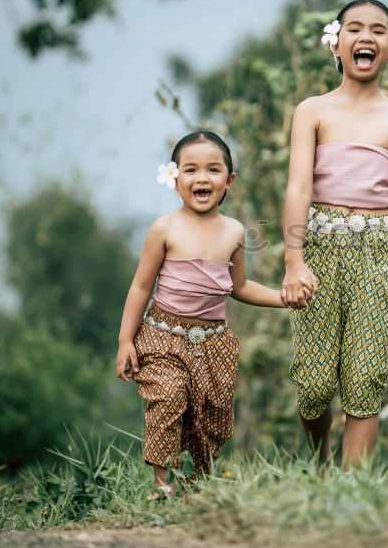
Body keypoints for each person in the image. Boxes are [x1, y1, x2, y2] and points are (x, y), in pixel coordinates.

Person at [115, 130, 315, 500]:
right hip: (163, 335)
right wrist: (126, 340)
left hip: (213, 342)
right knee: (169, 396)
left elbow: (238, 287)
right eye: (190, 170)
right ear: (175, 179)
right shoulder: (164, 228)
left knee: (211, 417)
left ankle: (195, 484)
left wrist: (284, 299)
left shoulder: (234, 231)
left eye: (213, 170)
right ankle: (161, 485)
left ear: (229, 180)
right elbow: (141, 287)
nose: (202, 178)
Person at [281, 0, 388, 469]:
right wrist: (293, 260)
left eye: (377, 31)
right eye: (354, 29)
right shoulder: (312, 111)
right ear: (337, 42)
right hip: (320, 252)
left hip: (383, 256)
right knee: (313, 384)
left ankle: (352, 494)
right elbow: (297, 187)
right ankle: (320, 467)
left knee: (365, 377)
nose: (365, 37)